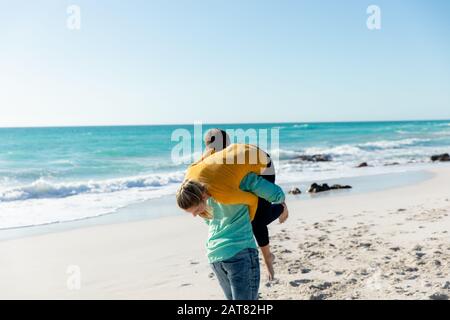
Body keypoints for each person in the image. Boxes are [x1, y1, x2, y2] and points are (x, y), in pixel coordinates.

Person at [176, 144, 287, 300]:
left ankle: (269, 255)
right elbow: (266, 189)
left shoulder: (205, 199)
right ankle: (280, 213)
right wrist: (280, 199)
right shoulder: (236, 180)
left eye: (195, 211)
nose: (195, 215)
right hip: (239, 253)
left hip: (215, 256)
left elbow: (210, 222)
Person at [202, 129, 288, 280]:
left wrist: (279, 198)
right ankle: (268, 256)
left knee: (257, 220)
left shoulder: (231, 159)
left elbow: (252, 181)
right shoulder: (207, 161)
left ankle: (281, 210)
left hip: (264, 169)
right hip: (248, 168)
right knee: (251, 217)